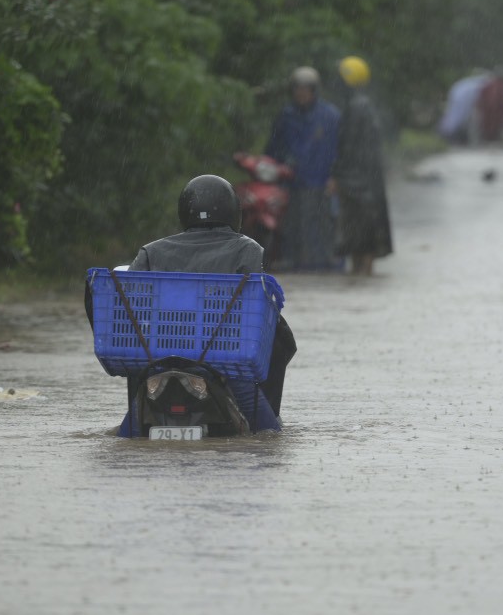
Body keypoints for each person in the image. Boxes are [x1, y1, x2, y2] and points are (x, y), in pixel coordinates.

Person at [112, 174, 296, 435]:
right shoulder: (249, 250)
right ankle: (270, 426)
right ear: (234, 211)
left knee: (125, 435)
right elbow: (257, 307)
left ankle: (130, 433)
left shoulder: (151, 251)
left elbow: (129, 303)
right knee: (270, 437)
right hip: (224, 358)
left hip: (161, 357)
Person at [265, 65, 341, 271]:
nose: (301, 93)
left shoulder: (330, 116)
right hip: (290, 182)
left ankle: (322, 264)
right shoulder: (286, 115)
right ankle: (294, 264)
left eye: (306, 88)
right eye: (297, 88)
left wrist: (335, 176)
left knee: (320, 227)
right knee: (291, 227)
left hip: (320, 181)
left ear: (314, 90)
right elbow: (273, 148)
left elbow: (339, 150)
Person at [328, 55, 393, 276]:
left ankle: (361, 279)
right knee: (363, 236)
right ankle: (361, 280)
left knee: (360, 237)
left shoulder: (356, 108)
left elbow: (348, 147)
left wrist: (337, 176)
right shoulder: (364, 105)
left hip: (358, 183)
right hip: (367, 181)